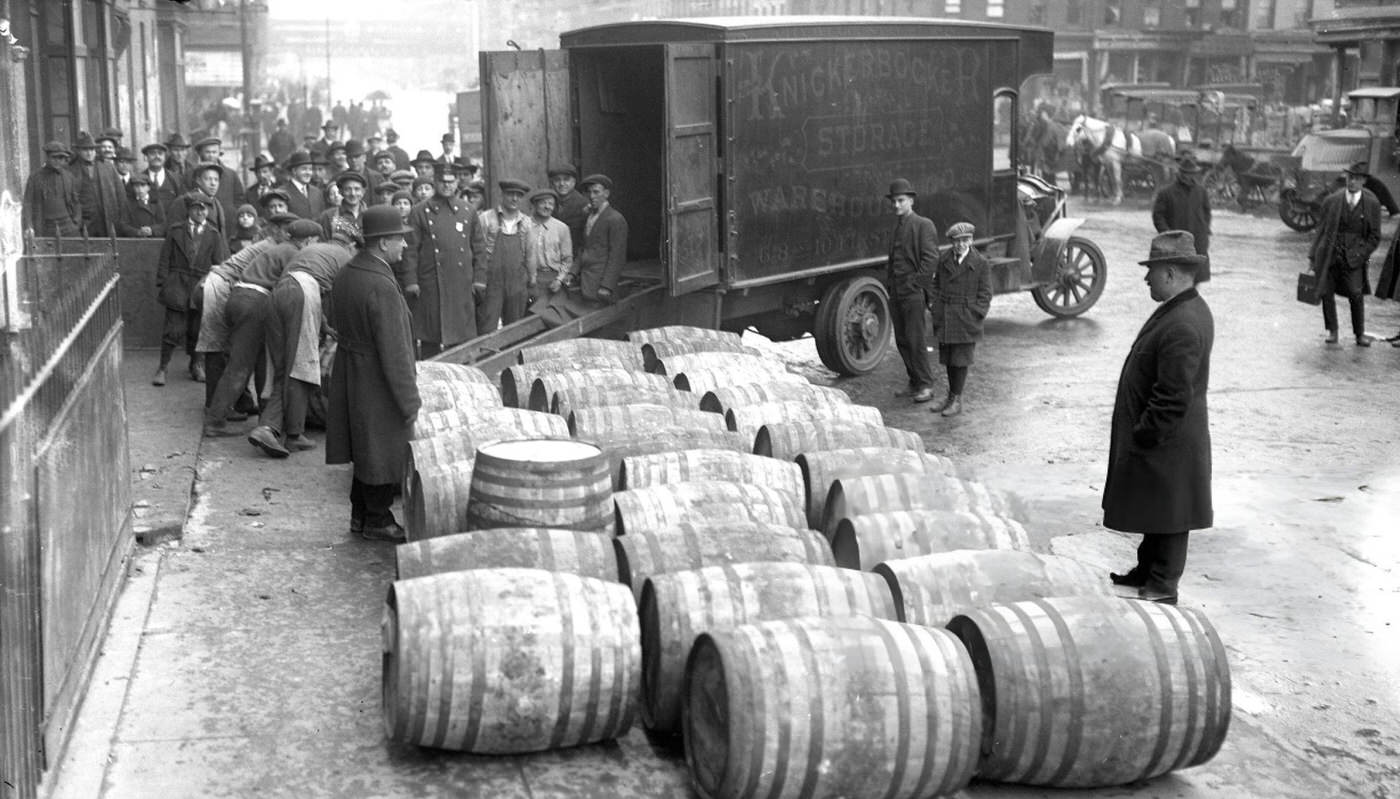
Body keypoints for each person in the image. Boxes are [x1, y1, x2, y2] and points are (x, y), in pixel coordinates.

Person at [1103, 230, 1214, 606]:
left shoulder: (1182, 321)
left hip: (1169, 439)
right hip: (1169, 438)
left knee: (1171, 512)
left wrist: (1146, 432)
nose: (1145, 278)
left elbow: (1172, 396)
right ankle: (1147, 570)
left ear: (1169, 273)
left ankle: (1163, 585)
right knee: (1159, 506)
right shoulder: (1180, 308)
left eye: (1150, 271)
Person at [325, 205, 421, 543]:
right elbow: (395, 353)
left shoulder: (348, 272)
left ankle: (360, 514)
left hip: (351, 370)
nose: (404, 246)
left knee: (363, 445)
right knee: (382, 447)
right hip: (376, 378)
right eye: (400, 239)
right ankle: (379, 518)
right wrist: (410, 402)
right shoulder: (381, 285)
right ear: (382, 243)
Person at [203, 218, 322, 438]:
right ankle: (215, 421)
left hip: (239, 297)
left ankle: (264, 418)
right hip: (256, 302)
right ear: (307, 241)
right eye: (315, 241)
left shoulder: (280, 248)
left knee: (259, 362)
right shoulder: (294, 254)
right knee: (240, 366)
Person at [249, 233, 356, 458]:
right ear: (351, 245)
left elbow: (299, 283)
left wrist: (324, 326)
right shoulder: (346, 257)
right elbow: (344, 299)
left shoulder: (311, 251)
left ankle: (267, 427)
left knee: (283, 369)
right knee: (302, 366)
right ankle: (295, 435)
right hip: (303, 293)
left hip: (277, 294)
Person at [402, 163, 481, 357]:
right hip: (431, 283)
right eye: (442, 182)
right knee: (431, 336)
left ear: (456, 183)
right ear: (435, 182)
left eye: (450, 181)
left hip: (461, 282)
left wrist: (480, 279)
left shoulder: (468, 211)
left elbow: (479, 248)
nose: (447, 186)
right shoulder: (420, 211)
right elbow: (411, 250)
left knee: (460, 337)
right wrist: (411, 281)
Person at [154, 193, 229, 386]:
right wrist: (164, 283)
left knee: (198, 329)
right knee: (173, 329)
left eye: (204, 208)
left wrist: (213, 286)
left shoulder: (214, 235)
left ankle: (197, 365)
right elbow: (165, 258)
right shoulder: (176, 230)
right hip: (177, 283)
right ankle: (162, 367)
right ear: (189, 209)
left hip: (201, 285)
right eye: (196, 208)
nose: (200, 212)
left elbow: (219, 263)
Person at [1309, 161, 1382, 346]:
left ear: (1364, 181)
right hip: (1329, 254)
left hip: (1354, 257)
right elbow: (1321, 229)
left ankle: (1359, 334)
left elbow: (1374, 236)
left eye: (1356, 179)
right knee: (1326, 292)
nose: (1352, 182)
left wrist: (1361, 254)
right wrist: (1312, 256)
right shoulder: (1332, 200)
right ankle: (1333, 332)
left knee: (1356, 294)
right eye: (1350, 178)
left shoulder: (1372, 204)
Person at [927, 221, 991, 417]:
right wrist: (935, 306)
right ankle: (950, 396)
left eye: (965, 240)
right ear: (951, 242)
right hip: (946, 314)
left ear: (971, 241)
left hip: (965, 317)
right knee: (948, 358)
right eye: (957, 241)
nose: (961, 245)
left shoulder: (980, 263)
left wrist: (975, 314)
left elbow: (986, 294)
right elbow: (935, 284)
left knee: (961, 359)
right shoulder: (944, 258)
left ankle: (957, 399)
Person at [884, 178, 939, 403]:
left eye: (901, 200)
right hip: (897, 293)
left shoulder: (923, 225)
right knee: (902, 340)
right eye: (894, 201)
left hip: (913, 293)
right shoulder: (897, 227)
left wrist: (917, 284)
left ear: (911, 201)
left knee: (916, 340)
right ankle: (914, 382)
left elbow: (931, 258)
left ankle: (926, 385)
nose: (896, 205)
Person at [476, 178, 532, 333]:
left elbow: (530, 255)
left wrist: (531, 280)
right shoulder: (486, 218)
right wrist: (478, 279)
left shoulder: (526, 223)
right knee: (487, 325)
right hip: (491, 281)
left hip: (517, 282)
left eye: (519, 195)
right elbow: (478, 251)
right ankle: (485, 357)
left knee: (514, 327)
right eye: (510, 194)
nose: (514, 199)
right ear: (502, 195)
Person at [1151, 153, 1212, 281]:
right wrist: (1167, 233)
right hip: (1175, 243)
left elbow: (1207, 213)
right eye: (1185, 173)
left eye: (1191, 174)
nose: (1188, 177)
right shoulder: (1166, 193)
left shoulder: (1201, 191)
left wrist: (1204, 231)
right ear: (1180, 173)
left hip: (1198, 242)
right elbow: (1158, 216)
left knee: (1196, 278)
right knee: (1175, 278)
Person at [573, 173, 628, 304]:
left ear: (606, 194)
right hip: (586, 279)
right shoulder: (589, 217)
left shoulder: (615, 219)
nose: (592, 196)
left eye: (596, 192)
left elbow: (617, 256)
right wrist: (572, 272)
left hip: (600, 283)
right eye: (589, 192)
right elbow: (584, 248)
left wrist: (607, 286)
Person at [69, 131, 127, 237]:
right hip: (84, 222)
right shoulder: (71, 170)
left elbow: (121, 195)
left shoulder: (107, 167)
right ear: (78, 151)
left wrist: (121, 219)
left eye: (92, 149)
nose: (89, 153)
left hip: (107, 219)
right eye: (85, 150)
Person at [524, 187, 573, 310]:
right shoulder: (523, 225)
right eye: (543, 202)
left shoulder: (562, 228)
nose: (547, 207)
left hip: (553, 280)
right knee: (528, 316)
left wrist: (559, 280)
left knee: (553, 316)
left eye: (551, 203)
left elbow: (567, 259)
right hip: (529, 280)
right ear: (534, 204)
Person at [22, 140, 82, 239]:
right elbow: (28, 203)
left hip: (68, 225)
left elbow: (76, 201)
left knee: (74, 251)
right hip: (46, 226)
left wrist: (76, 222)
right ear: (47, 158)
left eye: (61, 158)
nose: (58, 161)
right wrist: (29, 226)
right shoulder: (35, 177)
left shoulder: (69, 176)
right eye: (54, 157)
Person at [549, 163, 590, 256]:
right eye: (557, 180)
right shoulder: (548, 203)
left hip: (574, 259)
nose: (562, 184)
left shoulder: (584, 205)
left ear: (574, 182)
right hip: (552, 258)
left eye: (566, 179)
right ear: (552, 183)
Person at [318, 171, 368, 241]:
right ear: (340, 192)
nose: (353, 194)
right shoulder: (329, 216)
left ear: (363, 192)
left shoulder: (370, 215)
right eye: (348, 189)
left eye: (357, 189)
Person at [280, 150, 328, 220]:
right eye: (304, 169)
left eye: (310, 169)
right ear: (294, 171)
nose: (308, 173)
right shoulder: (282, 192)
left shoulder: (317, 192)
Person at [117, 174, 166, 239]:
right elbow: (123, 225)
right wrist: (137, 232)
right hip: (134, 241)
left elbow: (163, 224)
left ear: (148, 187)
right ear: (132, 188)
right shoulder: (128, 203)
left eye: (143, 185)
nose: (140, 189)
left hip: (154, 240)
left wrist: (151, 230)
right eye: (136, 186)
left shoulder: (156, 203)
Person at [141, 141, 181, 210]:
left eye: (160, 153)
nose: (157, 156)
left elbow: (181, 205)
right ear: (146, 157)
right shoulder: (139, 179)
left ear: (165, 157)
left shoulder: (176, 179)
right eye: (152, 153)